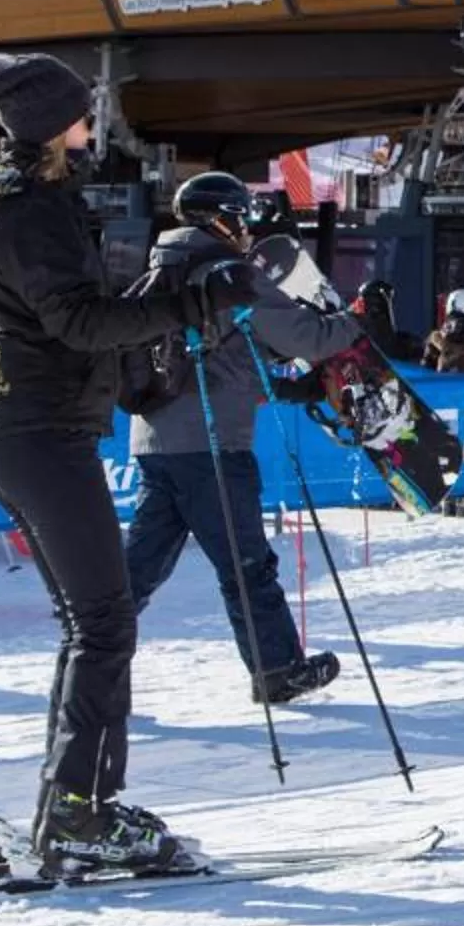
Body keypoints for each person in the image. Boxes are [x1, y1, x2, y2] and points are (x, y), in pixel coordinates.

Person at [0, 40, 240, 870]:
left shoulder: (18, 196)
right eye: (79, 111)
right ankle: (78, 812)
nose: (90, 123)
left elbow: (73, 315)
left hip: (32, 432)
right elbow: (74, 322)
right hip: (39, 435)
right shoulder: (29, 209)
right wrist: (184, 307)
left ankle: (73, 805)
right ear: (49, 123)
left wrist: (160, 310)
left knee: (93, 624)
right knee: (105, 624)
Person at [122, 172, 352, 706]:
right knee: (245, 564)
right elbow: (304, 336)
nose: (247, 229)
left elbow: (222, 355)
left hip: (156, 441)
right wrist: (358, 325)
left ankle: (91, 656)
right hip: (212, 445)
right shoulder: (229, 274)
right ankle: (277, 670)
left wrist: (288, 387)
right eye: (242, 217)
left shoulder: (161, 268)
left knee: (140, 570)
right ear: (220, 219)